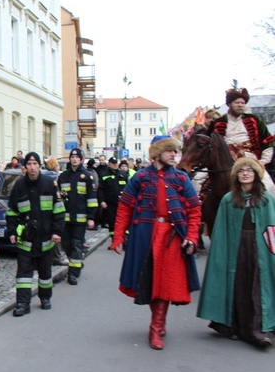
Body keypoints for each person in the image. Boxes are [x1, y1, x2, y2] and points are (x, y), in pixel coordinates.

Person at [109, 135, 201, 350]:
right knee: (150, 281)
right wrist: (119, 237)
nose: (174, 155)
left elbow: (195, 210)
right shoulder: (140, 177)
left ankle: (155, 327)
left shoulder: (181, 178)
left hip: (172, 236)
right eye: (169, 150)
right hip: (145, 235)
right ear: (157, 153)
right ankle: (159, 322)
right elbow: (124, 208)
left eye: (175, 151)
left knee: (165, 283)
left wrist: (192, 236)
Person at [197, 158, 275, 347]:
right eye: (241, 171)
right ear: (236, 176)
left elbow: (271, 227)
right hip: (236, 247)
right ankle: (235, 326)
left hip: (259, 248)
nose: (245, 173)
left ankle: (259, 331)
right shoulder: (229, 199)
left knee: (257, 285)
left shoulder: (266, 198)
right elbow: (222, 229)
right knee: (238, 284)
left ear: (256, 174)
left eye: (249, 170)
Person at [6, 152, 65, 316]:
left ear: (39, 165)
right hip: (26, 238)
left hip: (46, 238)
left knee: (45, 273)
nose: (32, 168)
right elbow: (12, 212)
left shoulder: (49, 184)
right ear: (25, 167)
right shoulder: (19, 186)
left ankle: (45, 297)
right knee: (23, 274)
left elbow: (59, 210)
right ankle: (22, 304)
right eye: (29, 165)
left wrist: (57, 232)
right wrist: (12, 231)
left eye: (35, 164)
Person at [209, 87, 275, 193]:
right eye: (237, 102)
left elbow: (268, 141)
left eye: (243, 103)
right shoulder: (218, 122)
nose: (240, 105)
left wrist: (262, 162)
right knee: (197, 181)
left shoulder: (254, 120)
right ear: (229, 104)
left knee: (269, 187)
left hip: (250, 160)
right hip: (224, 160)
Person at [57, 147, 98, 285]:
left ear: (81, 160)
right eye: (72, 157)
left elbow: (92, 198)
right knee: (66, 245)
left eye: (77, 157)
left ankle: (73, 274)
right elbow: (60, 197)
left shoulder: (87, 176)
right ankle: (77, 264)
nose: (74, 159)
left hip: (80, 219)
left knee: (76, 244)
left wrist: (91, 217)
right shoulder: (63, 176)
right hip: (65, 219)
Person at [97, 157, 127, 238]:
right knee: (112, 222)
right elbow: (100, 190)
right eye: (113, 163)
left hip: (121, 202)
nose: (115, 165)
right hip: (109, 203)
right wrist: (102, 201)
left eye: (116, 163)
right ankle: (113, 239)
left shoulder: (123, 174)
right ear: (109, 164)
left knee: (122, 221)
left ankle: (123, 238)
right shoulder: (104, 175)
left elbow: (128, 188)